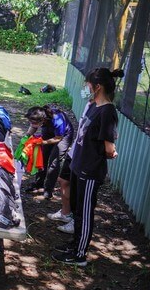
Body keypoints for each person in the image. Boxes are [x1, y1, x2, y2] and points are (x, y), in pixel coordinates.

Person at [52, 68, 124, 267]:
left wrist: (111, 151)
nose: (86, 88)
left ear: (97, 86)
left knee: (84, 213)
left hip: (90, 171)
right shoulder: (93, 105)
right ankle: (74, 244)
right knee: (76, 208)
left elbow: (109, 148)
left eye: (88, 85)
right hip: (78, 165)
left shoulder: (108, 111)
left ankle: (80, 255)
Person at [49, 100, 93, 235]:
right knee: (63, 180)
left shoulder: (103, 109)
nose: (87, 85)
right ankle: (65, 213)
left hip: (84, 155)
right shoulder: (89, 104)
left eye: (89, 83)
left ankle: (76, 221)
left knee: (78, 190)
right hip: (75, 150)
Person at [24, 105, 74, 199]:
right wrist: (26, 137)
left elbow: (58, 138)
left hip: (63, 136)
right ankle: (38, 184)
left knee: (53, 163)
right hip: (49, 130)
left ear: (43, 120)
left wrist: (43, 142)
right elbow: (33, 127)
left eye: (34, 123)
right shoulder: (39, 116)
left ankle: (48, 190)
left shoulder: (58, 120)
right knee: (42, 157)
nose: (31, 124)